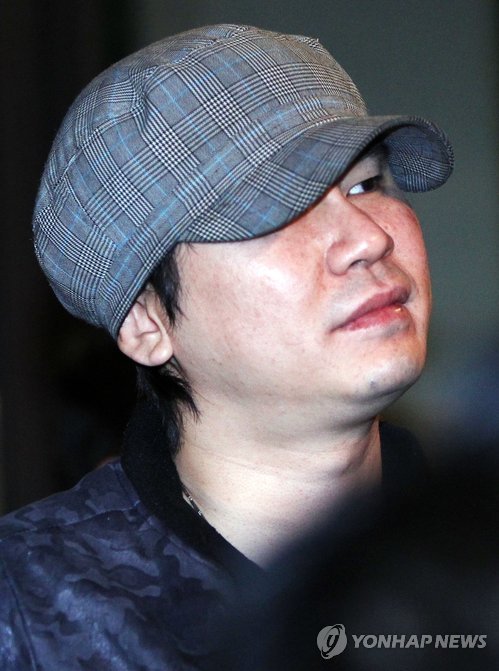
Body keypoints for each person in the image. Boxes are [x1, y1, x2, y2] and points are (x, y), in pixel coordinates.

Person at [0, 23, 453, 670]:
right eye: (278, 210)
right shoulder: (33, 610)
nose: (367, 238)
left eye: (365, 185)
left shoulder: (472, 552)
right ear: (147, 320)